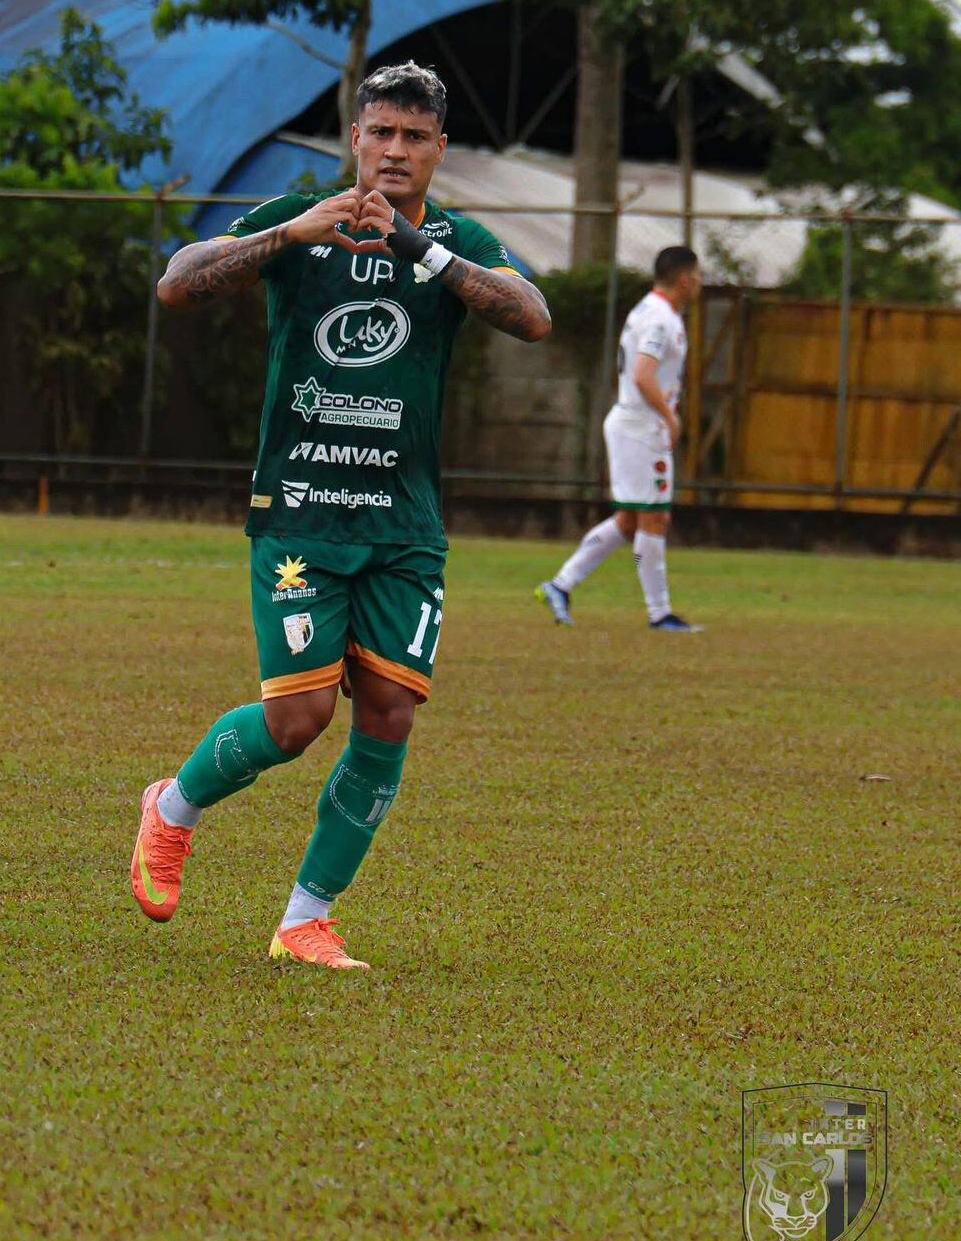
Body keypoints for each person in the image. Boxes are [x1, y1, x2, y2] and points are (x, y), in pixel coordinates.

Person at [132, 62, 551, 969]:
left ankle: (304, 922)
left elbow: (531, 317)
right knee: (298, 720)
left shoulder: (455, 239)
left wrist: (422, 251)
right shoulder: (300, 226)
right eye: (380, 133)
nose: (395, 150)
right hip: (300, 515)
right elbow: (176, 283)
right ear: (353, 140)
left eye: (414, 136)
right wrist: (290, 231)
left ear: (439, 150)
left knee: (391, 713)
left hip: (403, 527)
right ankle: (172, 810)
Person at [537, 245, 703, 632]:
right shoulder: (662, 319)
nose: (699, 284)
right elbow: (644, 374)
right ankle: (659, 613)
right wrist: (669, 415)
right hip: (642, 427)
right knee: (654, 517)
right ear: (683, 278)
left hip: (632, 423)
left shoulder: (648, 309)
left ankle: (560, 585)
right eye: (696, 276)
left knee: (630, 519)